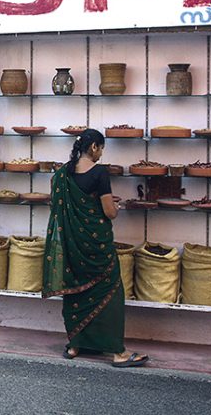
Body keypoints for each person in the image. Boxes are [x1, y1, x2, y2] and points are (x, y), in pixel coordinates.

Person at [43, 128, 149, 368]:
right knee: (111, 292)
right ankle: (118, 352)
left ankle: (74, 345)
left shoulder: (62, 174)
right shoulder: (100, 173)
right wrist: (114, 207)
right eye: (101, 148)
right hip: (97, 247)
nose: (101, 153)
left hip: (72, 246)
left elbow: (63, 207)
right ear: (94, 147)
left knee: (76, 291)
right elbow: (108, 213)